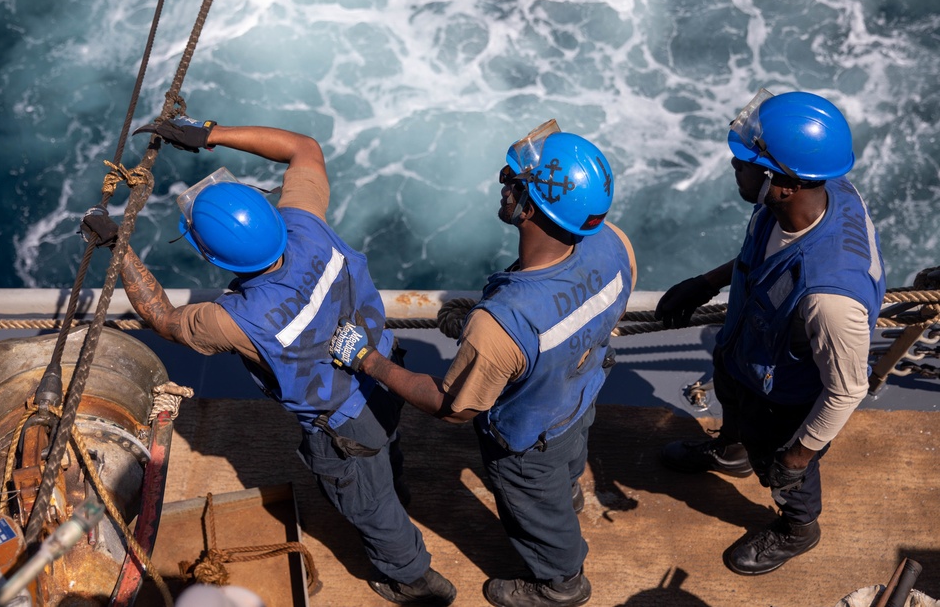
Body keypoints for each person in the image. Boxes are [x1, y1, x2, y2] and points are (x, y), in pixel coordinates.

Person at [81, 115, 456, 606]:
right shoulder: (306, 224)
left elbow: (165, 320)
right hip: (384, 372)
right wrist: (208, 133)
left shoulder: (232, 320)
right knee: (385, 449)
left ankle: (415, 579)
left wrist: (120, 249)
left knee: (370, 505)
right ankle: (395, 483)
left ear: (214, 257)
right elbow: (304, 148)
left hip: (343, 427)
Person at [329, 120, 636, 607]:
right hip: (578, 396)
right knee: (568, 460)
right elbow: (583, 314)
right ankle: (569, 492)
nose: (502, 181)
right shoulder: (613, 243)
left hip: (528, 438)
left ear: (530, 207)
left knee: (532, 506)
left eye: (512, 181)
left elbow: (453, 407)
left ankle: (561, 583)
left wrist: (367, 361)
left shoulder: (502, 324)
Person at [654, 90, 886, 575]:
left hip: (784, 396)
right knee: (733, 396)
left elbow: (846, 390)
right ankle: (733, 449)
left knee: (783, 463)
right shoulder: (806, 197)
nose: (734, 169)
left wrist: (798, 456)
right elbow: (766, 258)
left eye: (744, 164)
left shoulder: (829, 299)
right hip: (749, 349)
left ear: (782, 183)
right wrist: (707, 283)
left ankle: (797, 528)